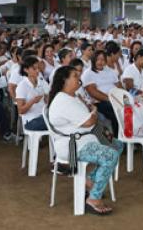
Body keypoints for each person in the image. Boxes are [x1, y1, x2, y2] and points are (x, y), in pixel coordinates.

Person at [48, 66, 123, 216]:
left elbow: (89, 116)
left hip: (86, 137)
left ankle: (89, 181)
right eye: (75, 76)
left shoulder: (72, 96)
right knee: (110, 155)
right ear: (64, 81)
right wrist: (94, 113)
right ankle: (93, 199)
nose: (79, 79)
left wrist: (92, 113)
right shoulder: (63, 100)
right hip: (73, 145)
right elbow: (90, 121)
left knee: (118, 145)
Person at [81, 50, 122, 136]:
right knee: (116, 112)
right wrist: (111, 99)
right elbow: (93, 92)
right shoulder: (88, 73)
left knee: (129, 108)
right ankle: (118, 139)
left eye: (103, 59)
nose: (100, 62)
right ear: (93, 60)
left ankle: (130, 135)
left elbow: (119, 85)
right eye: (98, 59)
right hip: (100, 102)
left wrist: (123, 97)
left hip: (116, 98)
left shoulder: (110, 71)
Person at [15, 56, 49, 131]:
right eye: (34, 69)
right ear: (26, 70)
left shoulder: (42, 81)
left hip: (43, 115)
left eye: (38, 68)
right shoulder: (22, 86)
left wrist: (47, 97)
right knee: (57, 122)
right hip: (31, 120)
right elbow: (20, 111)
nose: (37, 71)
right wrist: (32, 101)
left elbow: (47, 101)